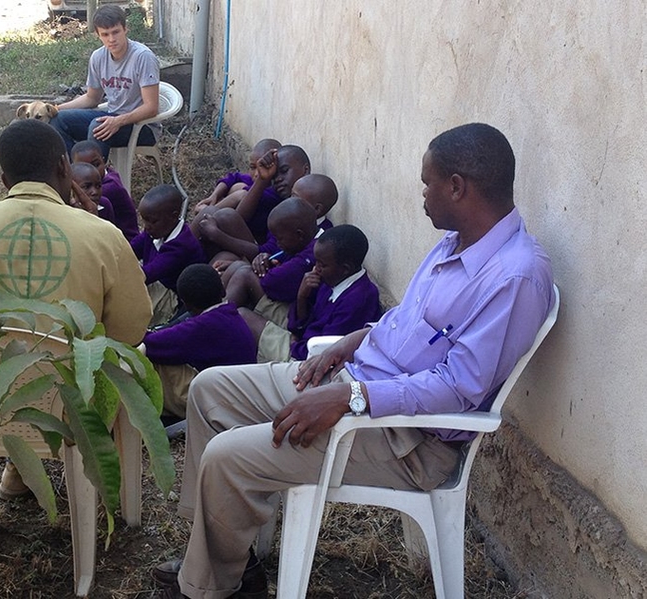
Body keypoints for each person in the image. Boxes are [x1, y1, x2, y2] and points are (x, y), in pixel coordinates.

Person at [149, 123, 555, 599]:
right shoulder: (455, 243)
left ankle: (206, 587)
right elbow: (406, 322)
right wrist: (354, 341)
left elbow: (460, 387)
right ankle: (225, 558)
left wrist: (351, 398)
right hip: (356, 382)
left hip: (405, 438)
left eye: (428, 183)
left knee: (226, 456)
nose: (422, 194)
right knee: (210, 390)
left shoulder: (516, 276)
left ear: (457, 186)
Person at [0, 119, 153, 499]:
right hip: (73, 407)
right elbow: (131, 327)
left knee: (1, 361)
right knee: (93, 364)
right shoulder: (103, 235)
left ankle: (8, 473)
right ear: (64, 167)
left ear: (3, 179)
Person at [240, 224, 381, 363]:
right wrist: (302, 297)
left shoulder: (358, 300)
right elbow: (300, 324)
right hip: (302, 341)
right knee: (240, 311)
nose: (316, 268)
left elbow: (324, 350)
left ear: (345, 268)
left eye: (322, 264)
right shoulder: (332, 279)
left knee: (243, 317)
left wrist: (295, 344)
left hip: (305, 359)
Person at [141, 264, 256, 420]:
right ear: (222, 290)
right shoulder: (228, 313)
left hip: (222, 404)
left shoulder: (204, 326)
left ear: (186, 304)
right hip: (237, 394)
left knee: (148, 357)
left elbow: (152, 344)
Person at [51, 5, 160, 159]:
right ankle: (77, 174)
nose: (111, 39)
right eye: (105, 34)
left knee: (98, 126)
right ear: (98, 35)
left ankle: (97, 179)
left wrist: (118, 121)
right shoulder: (98, 57)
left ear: (125, 29)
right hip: (112, 116)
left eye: (116, 32)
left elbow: (151, 107)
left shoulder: (143, 57)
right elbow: (92, 98)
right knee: (58, 120)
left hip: (142, 125)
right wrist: (56, 108)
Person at [192, 144, 311, 268]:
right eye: (274, 176)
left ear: (306, 170)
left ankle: (182, 257)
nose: (278, 179)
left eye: (284, 171)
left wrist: (217, 235)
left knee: (219, 216)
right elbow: (238, 215)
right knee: (218, 213)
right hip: (252, 253)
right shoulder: (275, 194)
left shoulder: (290, 213)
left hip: (264, 264)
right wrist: (262, 180)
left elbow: (266, 251)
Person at [223, 197, 321, 328]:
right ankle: (208, 312)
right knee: (238, 266)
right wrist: (267, 260)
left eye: (280, 239)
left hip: (295, 319)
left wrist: (268, 269)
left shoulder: (312, 254)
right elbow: (280, 264)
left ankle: (212, 321)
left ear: (299, 234)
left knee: (244, 274)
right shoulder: (305, 241)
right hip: (291, 305)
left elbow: (271, 283)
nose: (277, 244)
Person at [129, 184, 205, 327]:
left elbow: (147, 274)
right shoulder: (154, 231)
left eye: (152, 221)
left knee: (131, 310)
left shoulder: (181, 245)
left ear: (174, 215)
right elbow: (130, 250)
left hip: (173, 297)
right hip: (155, 282)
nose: (146, 226)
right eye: (144, 220)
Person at [71, 139, 139, 240]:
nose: (91, 171)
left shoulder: (109, 189)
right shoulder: (105, 177)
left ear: (104, 161)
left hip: (128, 243)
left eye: (96, 164)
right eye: (83, 166)